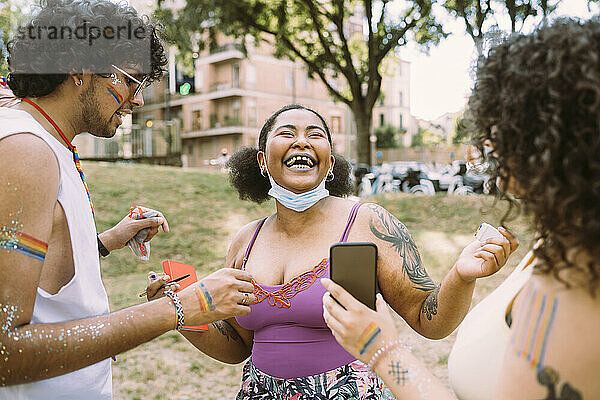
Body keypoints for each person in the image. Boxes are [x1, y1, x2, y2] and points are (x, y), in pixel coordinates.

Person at [146, 103, 516, 399]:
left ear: (330, 160)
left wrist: (461, 275)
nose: (302, 142)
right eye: (286, 134)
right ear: (262, 160)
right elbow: (237, 347)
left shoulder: (367, 221)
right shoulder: (245, 240)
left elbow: (429, 320)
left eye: (316, 135)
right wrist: (181, 313)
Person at [322, 18, 600, 400]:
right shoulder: (560, 239)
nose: (488, 139)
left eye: (508, 120)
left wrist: (381, 350)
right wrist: (461, 275)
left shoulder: (580, 281)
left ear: (555, 136)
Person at [0, 1, 255, 399]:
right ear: (80, 70)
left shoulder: (48, 141)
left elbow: (42, 276)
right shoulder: (26, 150)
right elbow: (5, 351)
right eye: (132, 80)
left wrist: (108, 240)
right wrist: (182, 306)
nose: (137, 99)